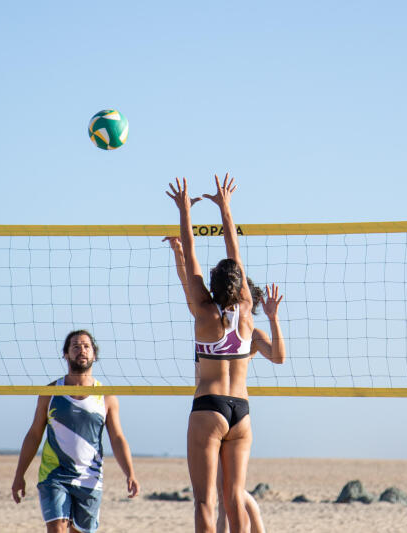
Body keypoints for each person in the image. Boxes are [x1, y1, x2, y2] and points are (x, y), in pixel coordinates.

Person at [167, 173, 268, 533]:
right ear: (240, 286)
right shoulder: (246, 310)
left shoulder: (204, 313)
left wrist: (184, 210)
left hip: (209, 408)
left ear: (210, 285)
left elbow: (191, 255)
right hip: (241, 412)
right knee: (234, 497)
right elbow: (234, 250)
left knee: (205, 501)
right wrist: (226, 207)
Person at [11, 329, 140, 533]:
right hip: (54, 474)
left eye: (87, 346)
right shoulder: (50, 392)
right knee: (57, 529)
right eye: (76, 346)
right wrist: (20, 474)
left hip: (89, 477)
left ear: (94, 355)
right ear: (66, 354)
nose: (82, 350)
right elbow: (34, 434)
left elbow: (117, 438)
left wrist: (130, 473)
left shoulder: (106, 397)